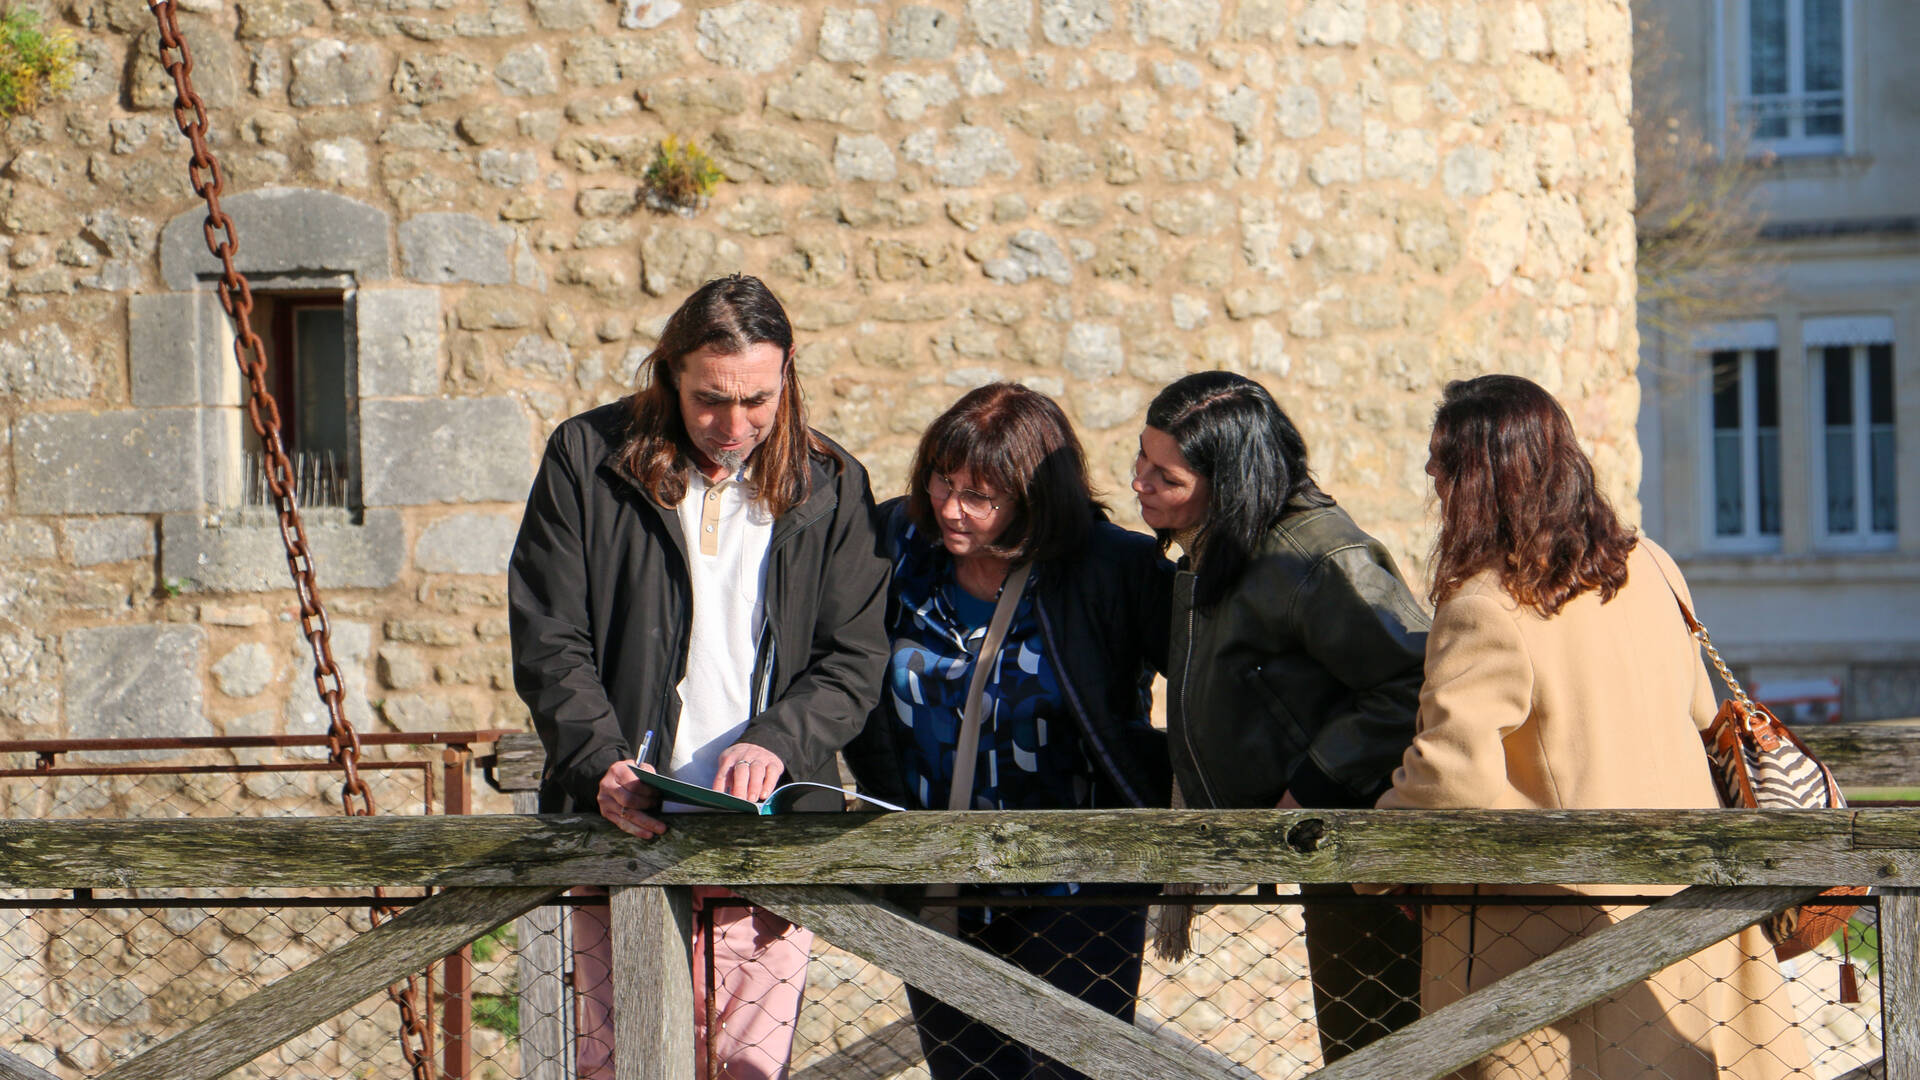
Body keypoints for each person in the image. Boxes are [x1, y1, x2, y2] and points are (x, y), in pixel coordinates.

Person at [508, 274, 890, 1080]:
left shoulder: (834, 483)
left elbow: (852, 658)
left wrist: (779, 742)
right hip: (622, 831)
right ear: (669, 374)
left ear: (787, 375)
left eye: (758, 399)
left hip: (772, 840)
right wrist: (597, 762)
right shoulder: (588, 458)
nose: (736, 425)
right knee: (624, 1069)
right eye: (711, 399)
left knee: (748, 1070)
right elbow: (549, 636)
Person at [1375, 374, 1808, 1079]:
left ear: (1482, 479)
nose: (1430, 478)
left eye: (1442, 462)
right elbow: (1704, 716)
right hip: (1689, 923)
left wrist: (1368, 862)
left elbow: (1449, 783)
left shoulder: (1486, 604)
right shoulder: (1650, 565)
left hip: (1550, 950)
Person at [845, 382, 1173, 1080]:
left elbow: (1212, 680)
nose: (950, 507)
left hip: (1080, 888)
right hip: (935, 879)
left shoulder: (1115, 568)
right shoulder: (890, 545)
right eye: (942, 480)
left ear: (1034, 499)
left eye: (980, 496)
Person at [1131, 370, 1427, 1063]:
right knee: (1359, 1051)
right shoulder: (1214, 547)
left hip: (1364, 853)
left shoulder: (1315, 555)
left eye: (1165, 475)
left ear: (1229, 482)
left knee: (1382, 1054)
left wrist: (1307, 790)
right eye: (1140, 458)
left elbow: (1411, 684)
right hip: (1323, 851)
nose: (1141, 481)